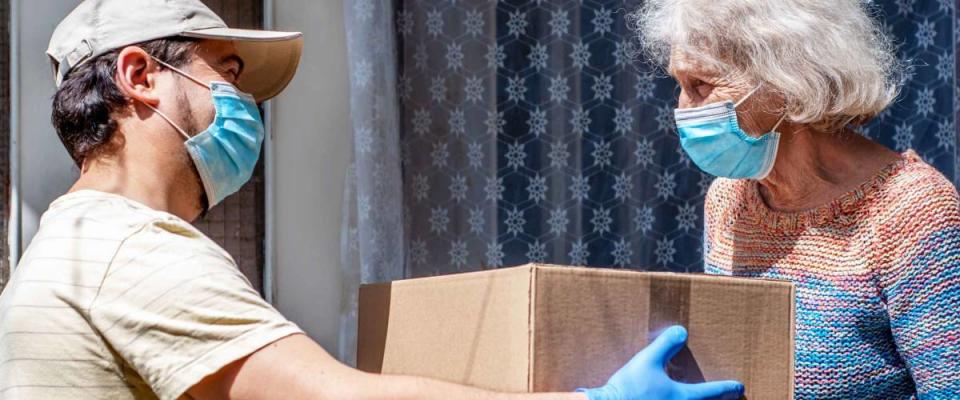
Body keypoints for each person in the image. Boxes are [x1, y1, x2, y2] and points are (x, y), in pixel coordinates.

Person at [0, 1, 745, 399]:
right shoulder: (132, 249)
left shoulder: (75, 241)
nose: (246, 107)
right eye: (225, 72)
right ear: (138, 76)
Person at [631, 0, 960, 398]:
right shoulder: (729, 200)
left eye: (701, 85)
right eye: (679, 86)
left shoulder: (912, 209)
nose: (682, 109)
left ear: (786, 82)